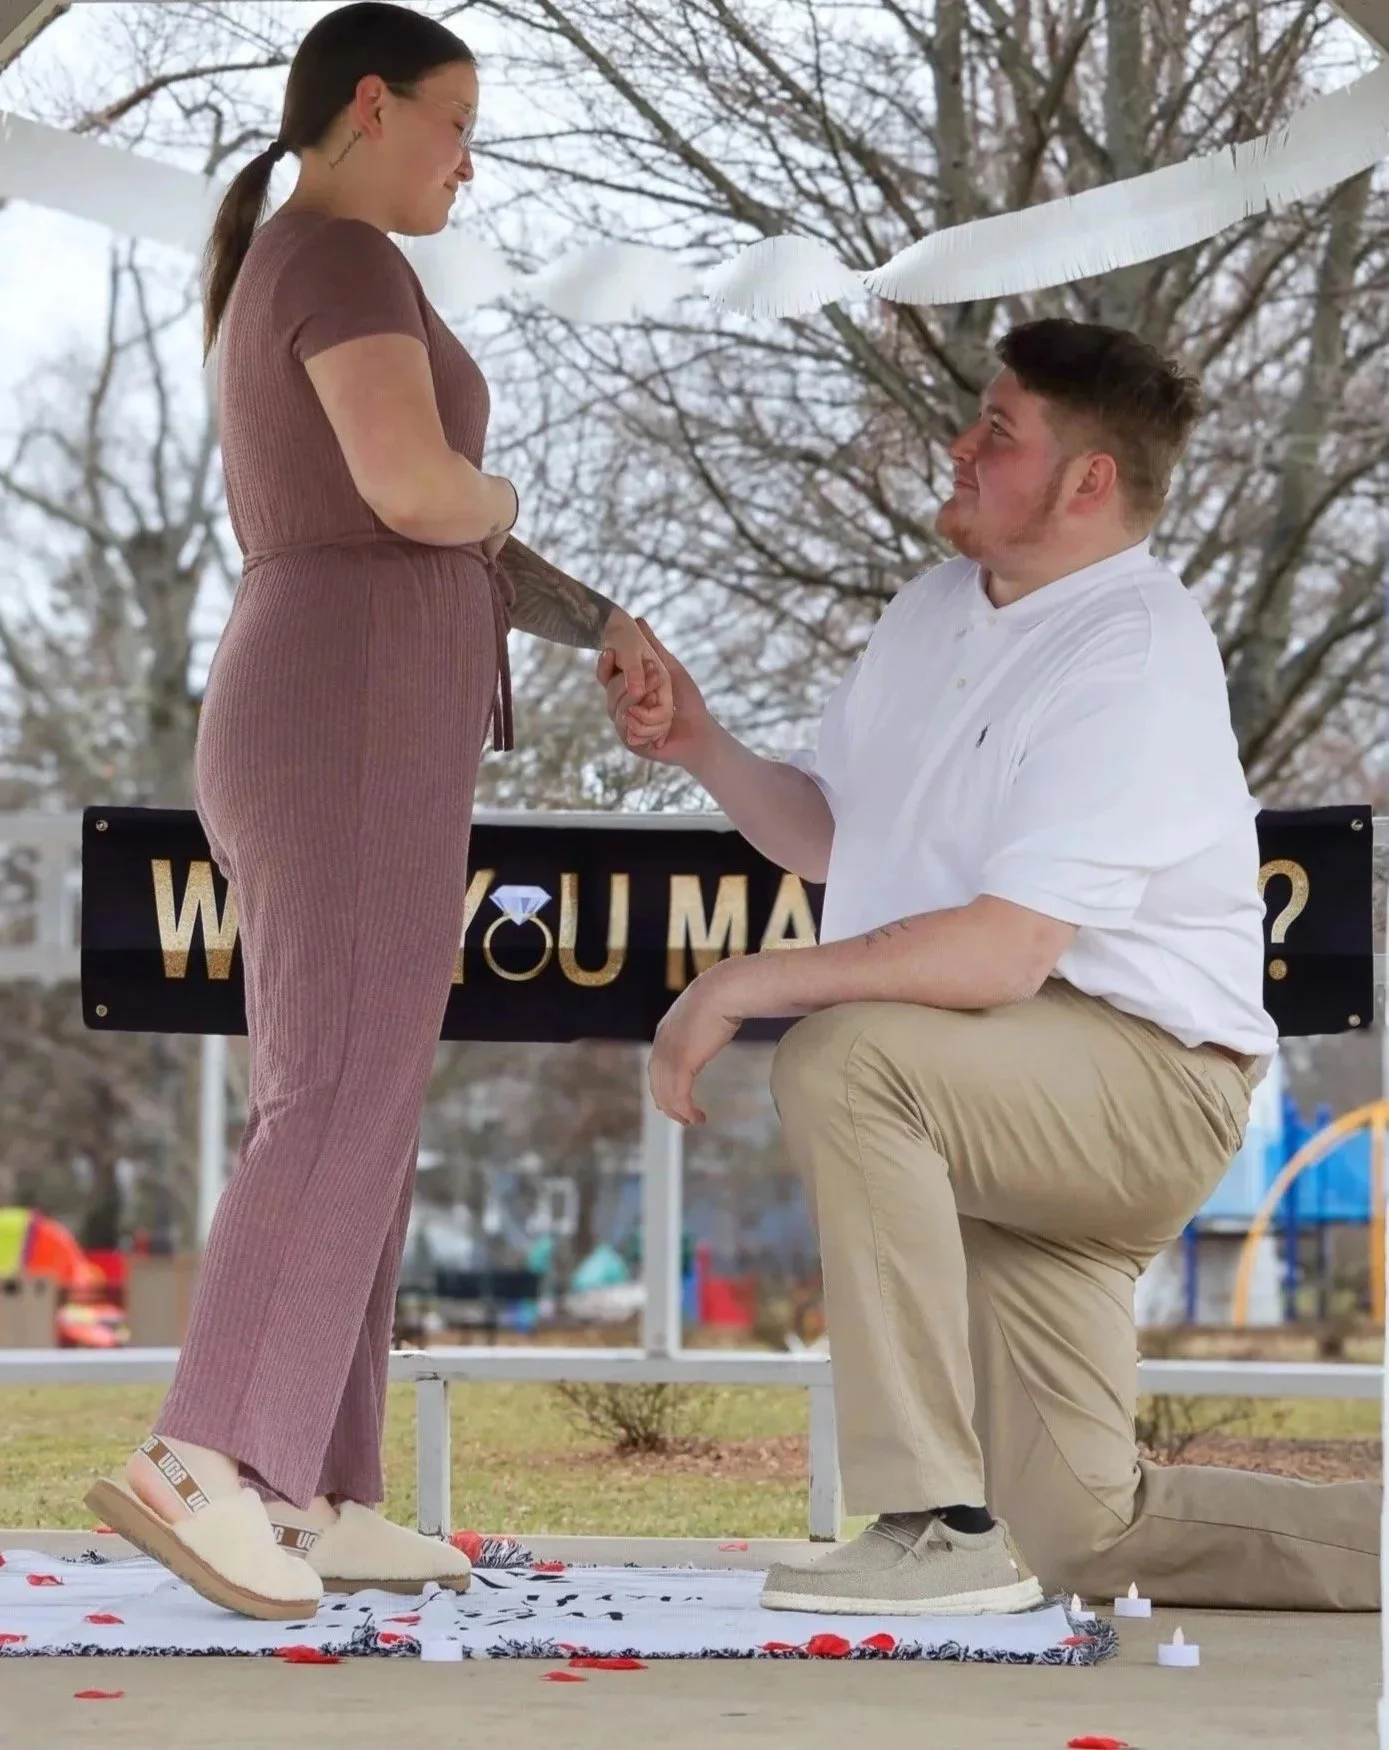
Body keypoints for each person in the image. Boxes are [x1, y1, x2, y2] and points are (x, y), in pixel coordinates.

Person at [602, 317, 1379, 1615]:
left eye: (997, 433)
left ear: (1089, 483)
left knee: (845, 1058)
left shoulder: (1133, 653)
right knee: (1084, 1536)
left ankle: (931, 1515)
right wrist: (703, 743)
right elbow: (837, 832)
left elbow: (1010, 946)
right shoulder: (930, 611)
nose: (959, 447)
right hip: (1000, 1097)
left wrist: (736, 982)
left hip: (1143, 1086)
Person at [87, 0, 671, 1621]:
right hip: (343, 715)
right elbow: (423, 496)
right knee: (339, 1084)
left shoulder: (326, 263)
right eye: (456, 122)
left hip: (348, 710)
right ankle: (204, 1454)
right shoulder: (338, 260)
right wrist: (503, 492)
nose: (470, 162)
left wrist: (591, 614)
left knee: (360, 1089)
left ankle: (322, 1486)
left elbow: (419, 526)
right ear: (367, 107)